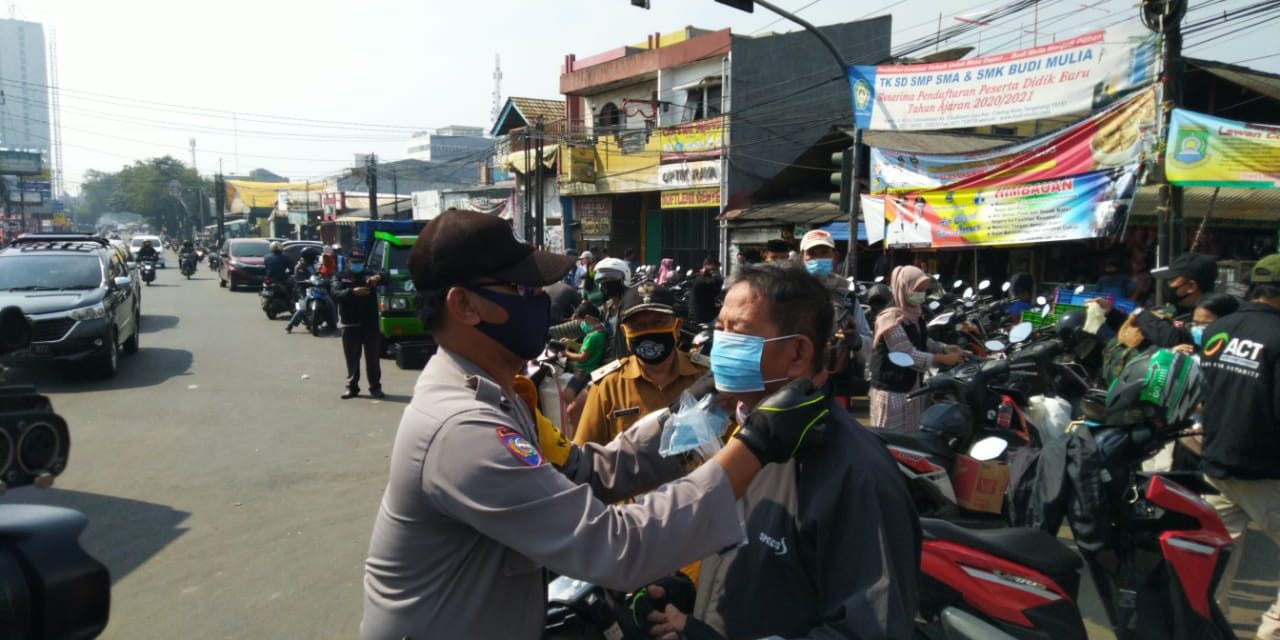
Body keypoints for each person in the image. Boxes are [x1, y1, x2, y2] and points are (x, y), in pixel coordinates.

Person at [361, 208, 820, 640]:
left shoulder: (499, 395)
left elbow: (584, 471)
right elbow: (617, 545)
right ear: (463, 305)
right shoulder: (462, 429)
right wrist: (755, 444)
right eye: (522, 290)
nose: (540, 300)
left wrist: (693, 413)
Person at [643, 265, 920, 639]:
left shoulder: (854, 473)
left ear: (797, 353)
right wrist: (694, 595)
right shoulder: (746, 437)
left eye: (736, 331)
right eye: (719, 327)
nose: (718, 343)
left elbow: (869, 629)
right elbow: (773, 577)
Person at [1196, 253, 1280, 640]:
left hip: (1214, 464)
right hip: (1264, 472)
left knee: (1213, 559)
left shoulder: (1221, 328)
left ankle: (1205, 624)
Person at [574, 282, 706, 447]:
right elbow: (587, 454)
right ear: (625, 333)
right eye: (638, 326)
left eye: (659, 323)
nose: (649, 331)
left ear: (677, 326)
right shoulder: (608, 386)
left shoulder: (704, 376)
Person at [868, 266, 965, 432]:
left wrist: (944, 348)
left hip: (911, 388)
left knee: (910, 443)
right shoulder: (891, 319)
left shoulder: (913, 314)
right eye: (917, 289)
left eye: (923, 290)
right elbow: (906, 355)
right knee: (890, 443)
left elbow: (921, 339)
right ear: (904, 288)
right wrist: (943, 359)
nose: (921, 294)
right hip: (892, 393)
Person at [1094, 252, 1219, 349]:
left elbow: (1173, 338)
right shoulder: (1173, 310)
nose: (1167, 285)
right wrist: (1110, 312)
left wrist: (1140, 314)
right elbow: (1140, 328)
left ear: (1191, 286)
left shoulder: (1212, 316)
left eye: (1171, 280)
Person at [332, 249, 383, 399]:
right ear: (348, 262)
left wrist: (378, 277)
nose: (357, 265)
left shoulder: (369, 274)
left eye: (360, 262)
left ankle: (375, 387)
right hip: (350, 323)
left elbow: (387, 277)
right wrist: (352, 292)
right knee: (352, 358)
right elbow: (335, 294)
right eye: (354, 262)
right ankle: (352, 387)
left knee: (373, 358)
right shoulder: (340, 276)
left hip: (370, 323)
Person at [1171, 292, 1239, 355]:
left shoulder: (1234, 355)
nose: (1198, 329)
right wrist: (1173, 356)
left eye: (1206, 325)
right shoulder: (1189, 350)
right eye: (1196, 323)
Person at [593, 257, 632, 361]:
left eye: (611, 279)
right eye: (603, 279)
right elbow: (585, 321)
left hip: (628, 360)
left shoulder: (632, 304)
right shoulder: (608, 306)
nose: (606, 282)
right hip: (610, 360)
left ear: (624, 279)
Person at [561, 302, 607, 374]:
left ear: (588, 318)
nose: (582, 325)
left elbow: (582, 357)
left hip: (584, 371)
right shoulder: (602, 331)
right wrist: (570, 343)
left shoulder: (592, 337)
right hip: (588, 367)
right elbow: (585, 349)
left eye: (582, 322)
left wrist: (566, 353)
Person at [285, 248, 322, 334]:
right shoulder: (299, 266)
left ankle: (331, 323)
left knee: (328, 300)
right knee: (303, 307)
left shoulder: (313, 265)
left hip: (315, 287)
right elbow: (299, 280)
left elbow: (318, 274)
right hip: (303, 289)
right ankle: (290, 325)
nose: (315, 258)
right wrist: (305, 281)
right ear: (309, 257)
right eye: (313, 257)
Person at [688, 256, 723, 326]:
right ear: (705, 267)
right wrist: (717, 273)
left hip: (706, 314)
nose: (715, 271)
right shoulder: (700, 279)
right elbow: (717, 281)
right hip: (702, 317)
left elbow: (716, 291)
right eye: (713, 269)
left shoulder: (705, 278)